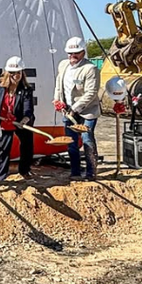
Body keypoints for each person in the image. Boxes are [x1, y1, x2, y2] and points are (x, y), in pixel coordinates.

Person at [54, 36, 101, 181]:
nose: (72, 56)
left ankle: (91, 172)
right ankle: (74, 171)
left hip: (87, 112)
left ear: (83, 52)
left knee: (87, 139)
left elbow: (91, 93)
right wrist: (58, 100)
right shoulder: (63, 65)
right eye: (70, 53)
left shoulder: (90, 69)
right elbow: (58, 85)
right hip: (68, 112)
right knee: (71, 141)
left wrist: (75, 109)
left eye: (76, 53)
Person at [0, 56, 36, 184]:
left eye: (18, 72)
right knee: (3, 148)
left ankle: (24, 170)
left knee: (27, 146)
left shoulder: (26, 89)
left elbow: (28, 109)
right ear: (6, 73)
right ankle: (0, 177)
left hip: (20, 121)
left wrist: (25, 120)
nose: (16, 75)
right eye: (12, 73)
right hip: (2, 121)